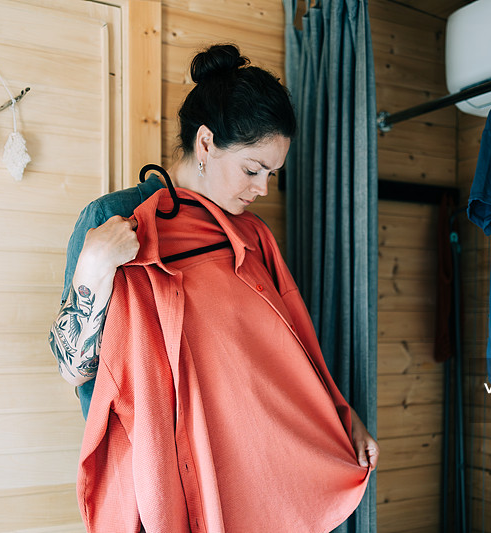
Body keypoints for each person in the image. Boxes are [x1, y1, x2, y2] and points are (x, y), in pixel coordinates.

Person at [49, 43, 378, 532]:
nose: (262, 189)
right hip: (153, 480)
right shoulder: (114, 219)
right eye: (252, 169)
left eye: (272, 174)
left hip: (245, 482)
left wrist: (338, 412)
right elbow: (72, 369)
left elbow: (290, 352)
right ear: (206, 143)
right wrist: (95, 265)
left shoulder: (251, 235)